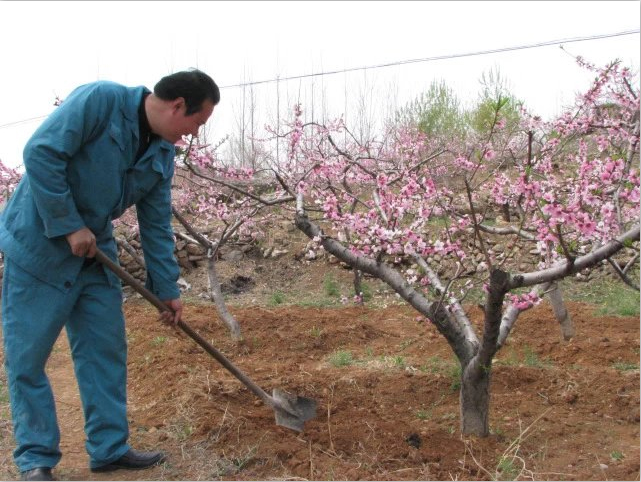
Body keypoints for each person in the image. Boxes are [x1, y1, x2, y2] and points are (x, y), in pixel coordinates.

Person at [0, 69, 220, 481]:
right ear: (177, 106)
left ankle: (109, 448)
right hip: (38, 248)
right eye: (196, 123)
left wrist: (167, 289)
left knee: (105, 349)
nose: (192, 135)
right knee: (28, 358)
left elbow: (155, 224)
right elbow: (41, 154)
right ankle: (36, 459)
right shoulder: (100, 101)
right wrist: (68, 224)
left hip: (94, 252)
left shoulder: (161, 155)